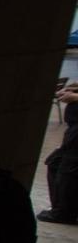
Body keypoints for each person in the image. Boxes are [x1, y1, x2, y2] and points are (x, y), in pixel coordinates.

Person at [39, 81, 78, 224]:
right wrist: (73, 90)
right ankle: (61, 208)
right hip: (73, 128)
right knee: (55, 163)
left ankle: (64, 213)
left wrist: (74, 97)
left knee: (68, 169)